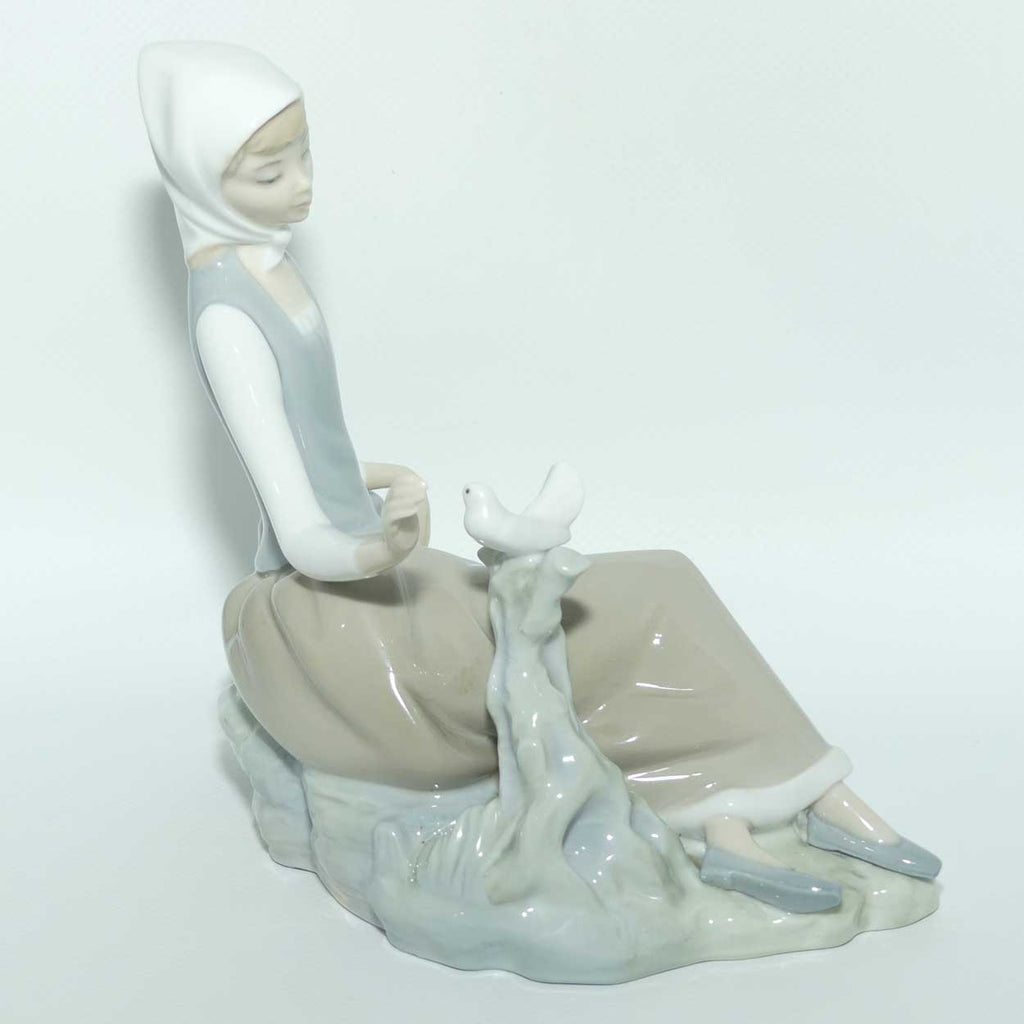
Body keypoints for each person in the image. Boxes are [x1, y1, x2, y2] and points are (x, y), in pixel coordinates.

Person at [138, 40, 940, 913]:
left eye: (304, 156)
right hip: (334, 620)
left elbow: (302, 451)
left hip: (373, 578)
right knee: (620, 615)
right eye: (269, 172)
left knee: (659, 586)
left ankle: (765, 809)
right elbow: (299, 533)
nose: (301, 185)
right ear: (200, 180)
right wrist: (385, 546)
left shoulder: (270, 270)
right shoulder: (227, 318)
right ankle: (744, 808)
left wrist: (377, 479)